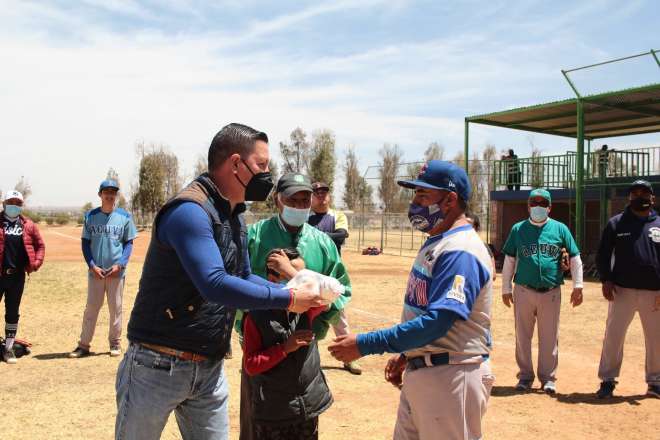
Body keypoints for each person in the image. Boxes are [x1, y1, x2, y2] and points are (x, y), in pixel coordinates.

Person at [115, 123, 322, 440]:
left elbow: (242, 275)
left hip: (209, 368)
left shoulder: (234, 212)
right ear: (236, 164)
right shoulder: (190, 211)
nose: (267, 174)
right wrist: (289, 299)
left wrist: (290, 290)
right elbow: (214, 283)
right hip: (156, 367)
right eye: (262, 165)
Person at [328, 160, 495, 440]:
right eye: (415, 194)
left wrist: (365, 344)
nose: (415, 203)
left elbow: (438, 322)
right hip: (429, 371)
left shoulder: (461, 250)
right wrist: (408, 355)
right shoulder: (438, 240)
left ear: (450, 200)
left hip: (452, 377)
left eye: (423, 195)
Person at [237, 173, 352, 343]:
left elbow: (343, 289)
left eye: (304, 201)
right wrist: (246, 319)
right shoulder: (254, 237)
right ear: (278, 201)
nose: (298, 207)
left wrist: (321, 312)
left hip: (305, 338)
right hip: (259, 337)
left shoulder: (323, 243)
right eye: (292, 200)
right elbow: (235, 280)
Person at [241, 247, 332, 440]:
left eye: (303, 276)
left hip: (307, 407)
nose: (304, 283)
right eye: (298, 278)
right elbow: (251, 364)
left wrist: (292, 273)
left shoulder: (307, 309)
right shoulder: (256, 318)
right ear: (273, 280)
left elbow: (329, 296)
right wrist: (284, 349)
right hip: (274, 412)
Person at [501, 188, 584, 394]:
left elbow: (574, 258)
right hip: (523, 289)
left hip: (551, 291)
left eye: (542, 202)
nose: (538, 206)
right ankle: (525, 376)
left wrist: (578, 285)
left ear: (549, 207)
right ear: (528, 205)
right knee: (523, 336)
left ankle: (548, 379)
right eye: (534, 202)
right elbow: (510, 259)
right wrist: (505, 287)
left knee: (549, 337)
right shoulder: (518, 229)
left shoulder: (560, 229)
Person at [595, 180, 660, 399]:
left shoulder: (659, 223)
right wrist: (606, 279)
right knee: (614, 336)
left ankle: (655, 382)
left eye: (644, 193)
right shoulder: (617, 223)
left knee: (656, 339)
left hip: (654, 293)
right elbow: (603, 254)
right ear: (629, 197)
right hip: (622, 290)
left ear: (652, 198)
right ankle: (607, 380)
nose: (639, 196)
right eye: (634, 193)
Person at [69, 179, 137, 358]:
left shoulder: (125, 217)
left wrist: (120, 264)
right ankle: (83, 345)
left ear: (116, 195)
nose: (109, 195)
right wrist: (92, 266)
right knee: (91, 308)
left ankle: (115, 344)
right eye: (106, 192)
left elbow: (129, 244)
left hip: (116, 272)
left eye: (113, 192)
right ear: (100, 194)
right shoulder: (90, 216)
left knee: (116, 308)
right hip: (96, 272)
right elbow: (85, 243)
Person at [307, 181, 361, 374]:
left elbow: (341, 235)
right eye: (317, 192)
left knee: (339, 317)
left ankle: (349, 358)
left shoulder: (336, 215)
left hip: (331, 274)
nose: (321, 195)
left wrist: (316, 236)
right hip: (311, 274)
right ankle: (306, 359)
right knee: (307, 316)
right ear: (311, 197)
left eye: (324, 192)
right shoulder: (306, 217)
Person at [0, 190, 45, 364]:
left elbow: (40, 245)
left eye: (18, 203)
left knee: (12, 313)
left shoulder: (28, 225)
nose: (14, 206)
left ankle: (9, 348)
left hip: (17, 277)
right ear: (4, 204)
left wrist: (36, 263)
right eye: (11, 202)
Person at [466, 213, 496, 281]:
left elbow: (493, 274)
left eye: (470, 226)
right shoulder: (456, 245)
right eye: (464, 225)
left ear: (477, 228)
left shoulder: (483, 246)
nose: (466, 228)